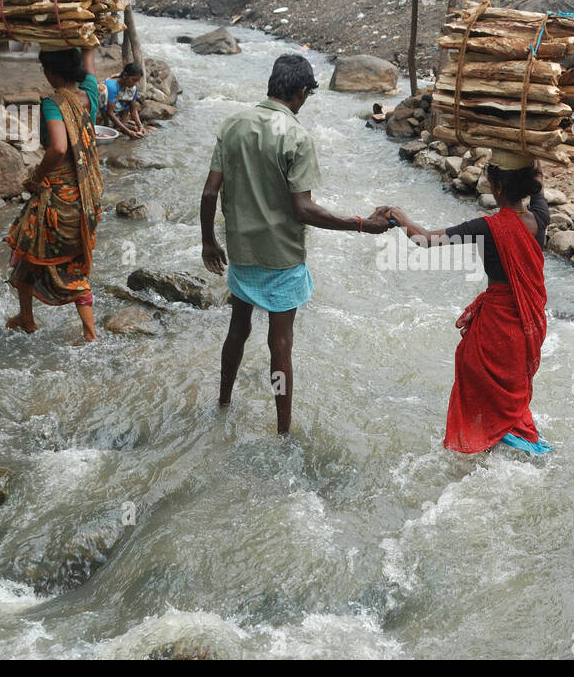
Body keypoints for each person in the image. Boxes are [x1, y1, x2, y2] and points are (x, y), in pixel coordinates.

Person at [200, 53, 390, 435]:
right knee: (280, 346)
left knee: (237, 331)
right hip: (282, 257)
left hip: (242, 251)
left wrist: (208, 242)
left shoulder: (232, 124)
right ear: (302, 92)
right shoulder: (297, 137)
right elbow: (303, 209)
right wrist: (360, 224)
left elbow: (209, 193)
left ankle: (223, 400)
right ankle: (282, 427)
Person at [380, 157, 552, 455]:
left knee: (481, 383)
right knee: (513, 388)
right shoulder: (540, 219)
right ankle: (514, 439)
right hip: (528, 325)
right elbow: (538, 185)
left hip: (496, 328)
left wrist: (400, 217)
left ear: (497, 188)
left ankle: (485, 442)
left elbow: (424, 240)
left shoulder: (485, 226)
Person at [5, 47, 104, 342]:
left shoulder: (53, 103)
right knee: (28, 247)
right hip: (87, 197)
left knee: (59, 262)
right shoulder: (89, 91)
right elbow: (88, 61)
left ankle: (89, 334)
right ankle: (27, 318)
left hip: (59, 197)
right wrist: (84, 41)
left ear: (53, 73)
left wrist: (36, 178)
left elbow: (58, 147)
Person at [100, 62, 145, 139]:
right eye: (133, 80)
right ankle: (107, 125)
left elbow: (133, 110)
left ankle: (120, 126)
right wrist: (128, 132)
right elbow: (109, 112)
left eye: (136, 81)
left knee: (128, 98)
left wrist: (140, 125)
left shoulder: (131, 88)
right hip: (103, 113)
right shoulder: (112, 86)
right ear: (125, 75)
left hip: (115, 112)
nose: (134, 84)